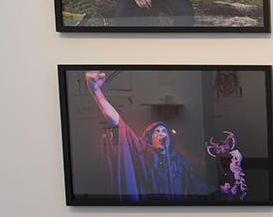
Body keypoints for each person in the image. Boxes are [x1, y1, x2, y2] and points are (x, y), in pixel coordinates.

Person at [85, 71, 211, 200]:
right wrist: (96, 92)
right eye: (156, 131)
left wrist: (218, 189)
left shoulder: (180, 160)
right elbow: (119, 124)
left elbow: (195, 186)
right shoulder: (141, 153)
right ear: (150, 138)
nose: (161, 134)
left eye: (164, 131)